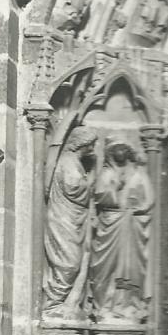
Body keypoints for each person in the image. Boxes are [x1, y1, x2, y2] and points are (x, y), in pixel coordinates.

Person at [90, 138, 154, 324]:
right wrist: (115, 188)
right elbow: (100, 195)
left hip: (133, 228)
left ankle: (129, 307)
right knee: (107, 269)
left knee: (131, 268)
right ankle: (105, 307)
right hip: (110, 224)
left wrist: (136, 209)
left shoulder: (139, 174)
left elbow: (149, 200)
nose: (120, 153)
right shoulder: (106, 173)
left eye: (123, 149)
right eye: (116, 150)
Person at [43, 126, 98, 318]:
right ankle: (52, 304)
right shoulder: (68, 161)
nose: (93, 148)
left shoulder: (75, 162)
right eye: (91, 144)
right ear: (81, 144)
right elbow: (73, 187)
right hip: (63, 217)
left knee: (73, 261)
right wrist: (91, 184)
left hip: (73, 218)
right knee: (69, 262)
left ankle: (59, 304)